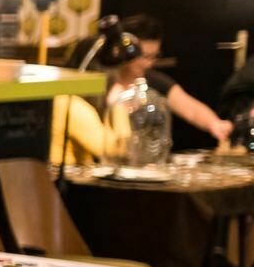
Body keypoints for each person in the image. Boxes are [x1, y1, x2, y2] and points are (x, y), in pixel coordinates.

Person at [54, 14, 232, 162]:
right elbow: (116, 150)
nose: (149, 63)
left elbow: (189, 107)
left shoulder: (151, 81)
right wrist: (118, 105)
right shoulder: (73, 103)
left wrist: (215, 124)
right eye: (143, 56)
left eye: (154, 57)